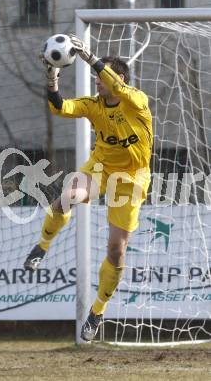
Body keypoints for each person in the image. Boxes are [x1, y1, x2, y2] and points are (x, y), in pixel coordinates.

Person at [24, 34, 153, 342]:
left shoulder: (137, 99)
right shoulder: (93, 106)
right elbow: (59, 107)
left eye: (101, 76)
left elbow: (120, 89)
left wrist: (91, 58)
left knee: (116, 251)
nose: (97, 81)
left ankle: (97, 311)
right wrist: (52, 78)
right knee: (65, 199)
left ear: (118, 77)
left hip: (132, 177)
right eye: (96, 76)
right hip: (100, 168)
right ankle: (41, 246)